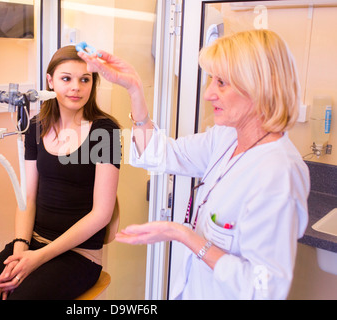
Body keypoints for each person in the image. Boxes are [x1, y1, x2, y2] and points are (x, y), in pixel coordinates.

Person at [78, 29, 309, 299]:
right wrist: (134, 89)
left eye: (222, 82)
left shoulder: (278, 174)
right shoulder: (226, 138)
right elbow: (160, 154)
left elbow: (264, 289)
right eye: (211, 79)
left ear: (261, 87)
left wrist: (183, 235)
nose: (209, 94)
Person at [0, 45, 121, 300]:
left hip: (79, 255)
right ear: (50, 81)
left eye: (84, 79)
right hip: (32, 242)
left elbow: (102, 214)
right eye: (66, 78)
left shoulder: (106, 132)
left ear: (93, 83)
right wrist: (21, 249)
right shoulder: (36, 127)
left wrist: (37, 259)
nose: (76, 87)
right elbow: (28, 199)